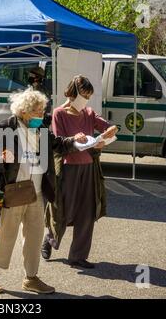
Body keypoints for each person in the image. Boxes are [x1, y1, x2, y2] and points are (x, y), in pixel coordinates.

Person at [0, 87, 87, 294]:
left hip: (36, 193)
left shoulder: (41, 129)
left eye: (42, 110)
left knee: (35, 237)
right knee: (5, 236)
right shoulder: (5, 127)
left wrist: (75, 140)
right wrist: (1, 157)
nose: (42, 114)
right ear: (24, 111)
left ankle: (31, 278)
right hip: (13, 191)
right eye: (37, 110)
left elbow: (58, 144)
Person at [41, 75, 118, 269]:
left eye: (89, 96)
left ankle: (78, 256)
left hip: (88, 167)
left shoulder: (89, 112)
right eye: (84, 94)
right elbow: (59, 143)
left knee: (87, 212)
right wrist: (75, 138)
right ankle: (49, 239)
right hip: (68, 168)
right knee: (62, 210)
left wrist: (109, 132)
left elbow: (107, 127)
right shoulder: (59, 113)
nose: (86, 99)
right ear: (73, 92)